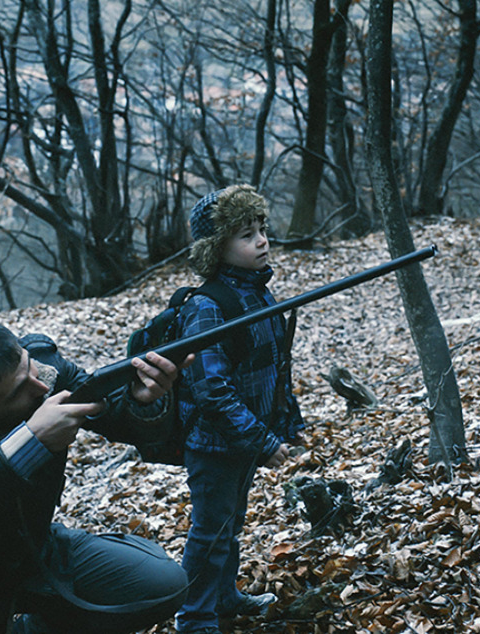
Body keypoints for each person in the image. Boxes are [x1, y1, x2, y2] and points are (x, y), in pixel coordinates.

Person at [0, 319, 191, 633]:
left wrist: (141, 398)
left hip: (26, 547)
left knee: (163, 585)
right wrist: (28, 442)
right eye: (19, 391)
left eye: (30, 367)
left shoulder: (44, 368)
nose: (41, 387)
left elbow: (119, 419)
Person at [174, 185, 305, 633]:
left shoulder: (258, 293)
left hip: (243, 439)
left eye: (262, 229)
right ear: (217, 249)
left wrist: (286, 422)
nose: (262, 240)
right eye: (247, 234)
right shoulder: (209, 307)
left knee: (229, 525)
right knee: (209, 531)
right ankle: (194, 618)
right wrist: (262, 441)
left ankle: (224, 597)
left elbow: (273, 366)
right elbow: (213, 391)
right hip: (214, 445)